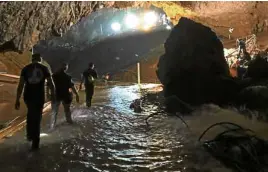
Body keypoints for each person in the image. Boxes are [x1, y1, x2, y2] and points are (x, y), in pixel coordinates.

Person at [15, 53, 55, 151]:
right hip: (39, 97)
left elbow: (21, 85)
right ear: (40, 59)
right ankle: (35, 143)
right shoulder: (44, 68)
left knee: (30, 114)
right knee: (37, 117)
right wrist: (52, 96)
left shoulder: (25, 68)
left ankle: (29, 135)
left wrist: (17, 99)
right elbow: (51, 84)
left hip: (28, 96)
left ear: (32, 59)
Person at [49, 63, 79, 130]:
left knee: (54, 111)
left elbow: (49, 85)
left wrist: (48, 95)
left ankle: (52, 126)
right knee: (67, 110)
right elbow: (72, 86)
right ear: (66, 68)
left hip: (56, 95)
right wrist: (76, 94)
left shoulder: (54, 76)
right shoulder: (67, 77)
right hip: (66, 96)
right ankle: (70, 123)